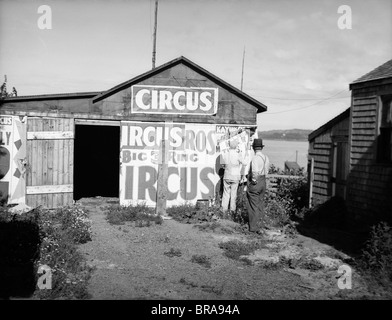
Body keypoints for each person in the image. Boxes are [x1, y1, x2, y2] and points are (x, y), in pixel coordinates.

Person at [246, 138, 270, 233]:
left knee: (253, 205)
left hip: (256, 182)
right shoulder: (266, 157)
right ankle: (260, 224)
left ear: (253, 148)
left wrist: (253, 181)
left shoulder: (255, 158)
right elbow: (267, 171)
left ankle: (253, 227)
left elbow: (255, 172)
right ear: (261, 148)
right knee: (260, 203)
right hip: (263, 181)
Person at [221, 138, 245, 218]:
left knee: (226, 193)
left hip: (227, 175)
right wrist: (241, 172)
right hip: (235, 176)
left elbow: (223, 165)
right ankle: (232, 211)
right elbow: (244, 162)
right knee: (233, 194)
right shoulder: (238, 154)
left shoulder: (225, 153)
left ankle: (224, 210)